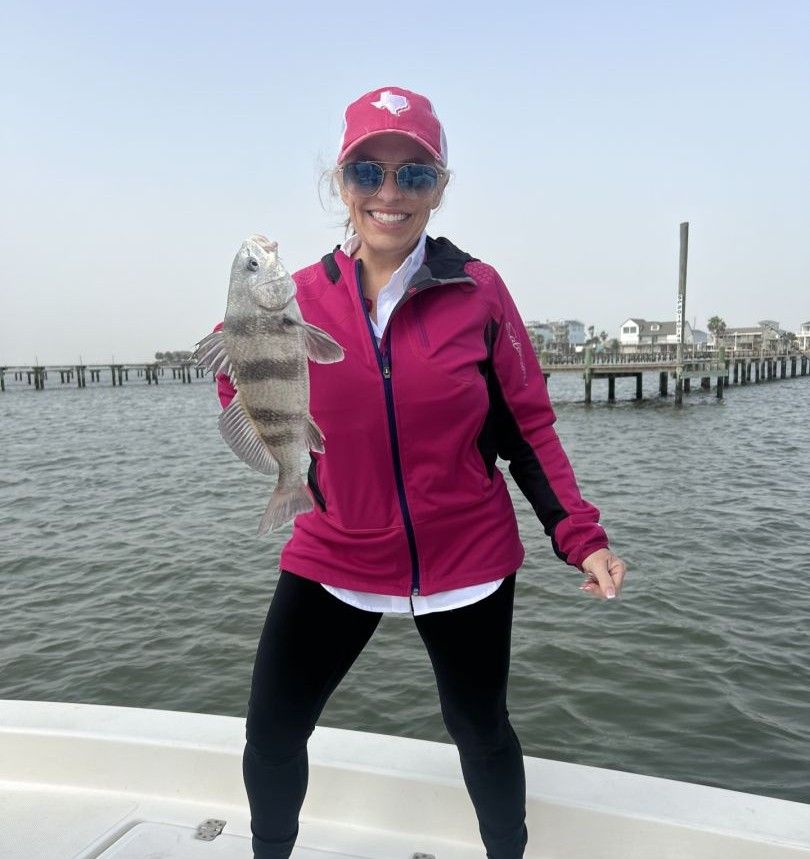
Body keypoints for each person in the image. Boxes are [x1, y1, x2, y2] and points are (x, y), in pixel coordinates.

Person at [214, 85, 626, 859]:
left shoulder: (479, 290)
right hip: (335, 543)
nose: (389, 194)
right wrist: (247, 369)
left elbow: (528, 426)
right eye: (368, 171)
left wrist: (582, 536)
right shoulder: (290, 298)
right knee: (271, 729)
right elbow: (234, 374)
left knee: (480, 729)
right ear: (341, 184)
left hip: (466, 555)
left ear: (440, 187)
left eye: (414, 174)